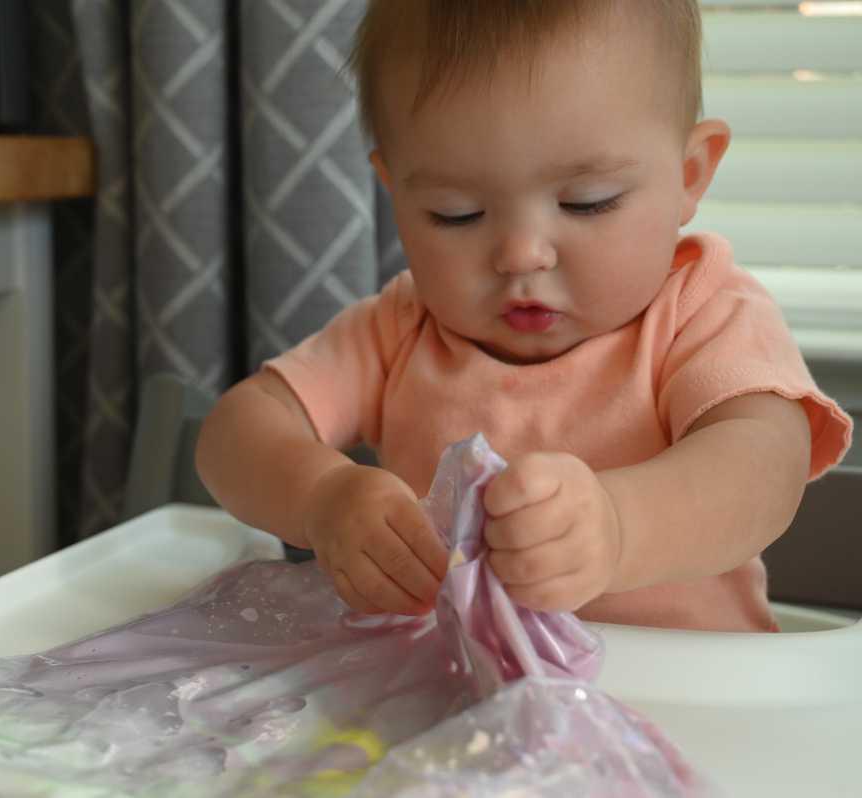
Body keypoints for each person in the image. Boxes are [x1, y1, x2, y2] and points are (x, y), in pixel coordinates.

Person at [195, 0, 852, 632]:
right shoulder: (402, 329)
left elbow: (763, 469)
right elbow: (237, 431)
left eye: (588, 202)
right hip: (455, 705)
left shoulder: (703, 313)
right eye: (456, 213)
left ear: (689, 173)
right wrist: (320, 499)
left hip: (690, 708)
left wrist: (620, 527)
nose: (521, 254)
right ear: (394, 189)